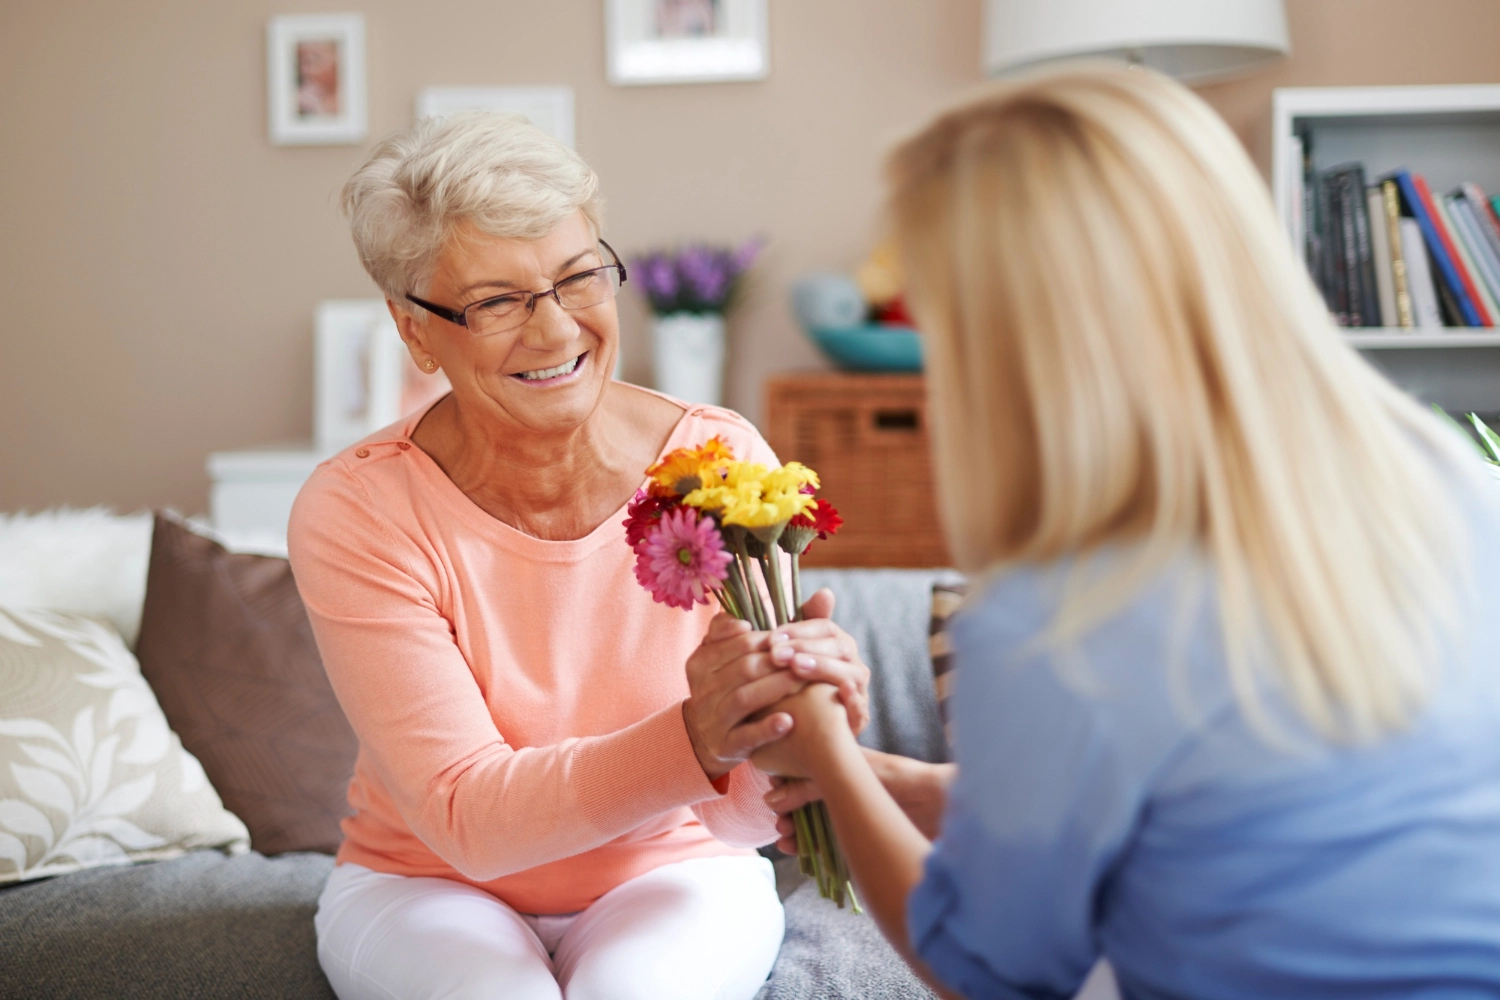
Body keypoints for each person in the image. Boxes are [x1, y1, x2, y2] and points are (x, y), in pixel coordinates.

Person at [753, 63, 1500, 1000]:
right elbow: (1218, 816)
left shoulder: (1058, 622)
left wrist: (826, 751)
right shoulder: (1444, 478)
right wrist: (888, 781)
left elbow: (984, 967)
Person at [287, 111, 872, 1000]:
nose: (556, 331)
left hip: (672, 868)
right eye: (495, 302)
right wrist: (695, 733)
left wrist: (796, 723)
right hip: (426, 883)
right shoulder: (358, 508)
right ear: (415, 330)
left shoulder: (714, 464)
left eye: (578, 278)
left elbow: (744, 815)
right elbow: (466, 818)